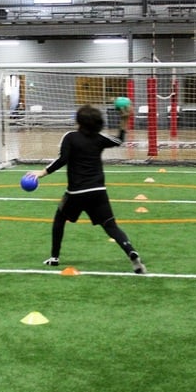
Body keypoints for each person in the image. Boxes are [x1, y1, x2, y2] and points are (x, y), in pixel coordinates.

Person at [25, 104, 146, 274]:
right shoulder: (98, 138)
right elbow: (119, 140)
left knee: (59, 219)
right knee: (111, 226)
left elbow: (62, 160)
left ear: (79, 121)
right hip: (98, 191)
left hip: (76, 193)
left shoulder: (70, 137)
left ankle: (54, 257)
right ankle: (131, 252)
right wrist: (124, 119)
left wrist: (41, 173)